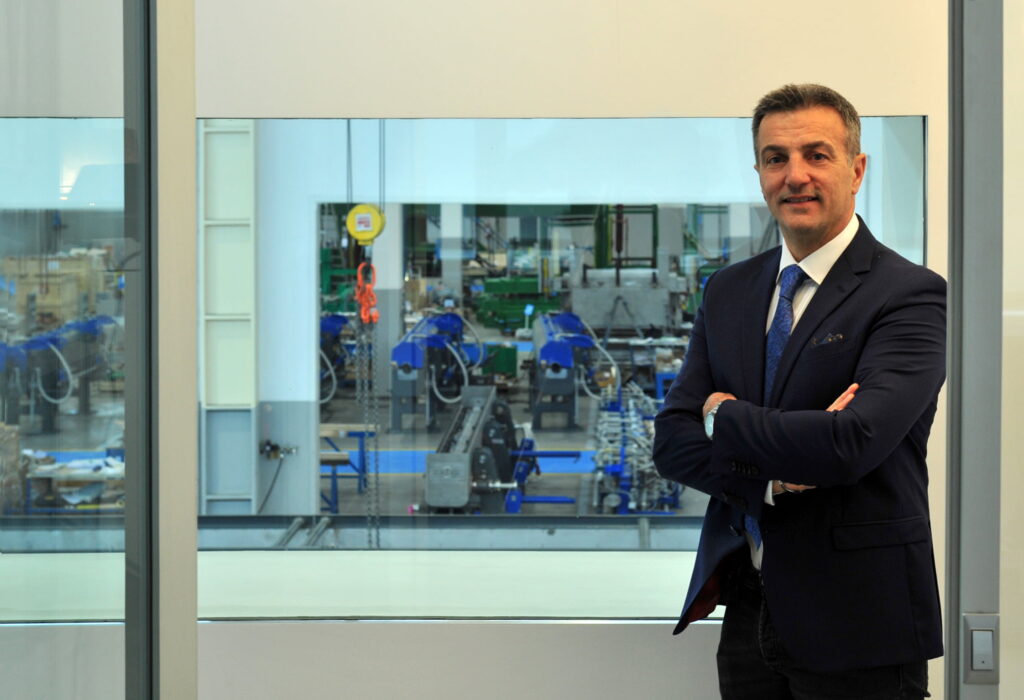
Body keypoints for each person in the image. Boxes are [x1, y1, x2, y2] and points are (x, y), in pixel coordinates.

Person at [653, 84, 945, 699]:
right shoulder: (728, 290)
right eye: (775, 158)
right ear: (760, 173)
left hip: (859, 618)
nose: (795, 176)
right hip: (749, 604)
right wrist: (775, 480)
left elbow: (850, 443)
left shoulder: (909, 294)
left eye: (817, 155)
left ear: (856, 169)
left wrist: (724, 416)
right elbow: (672, 442)